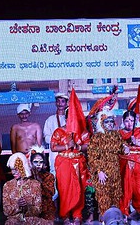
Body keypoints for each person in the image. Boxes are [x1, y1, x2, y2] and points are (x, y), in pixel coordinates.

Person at [50, 89, 90, 225]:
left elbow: (88, 146)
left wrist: (78, 147)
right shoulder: (59, 131)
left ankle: (77, 215)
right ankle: (65, 216)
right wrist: (68, 146)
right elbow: (53, 147)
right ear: (66, 118)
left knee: (79, 189)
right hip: (64, 163)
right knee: (65, 189)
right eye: (70, 118)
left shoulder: (83, 132)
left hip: (79, 162)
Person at [87, 106, 124, 217]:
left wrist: (125, 149)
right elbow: (92, 157)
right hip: (103, 173)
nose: (109, 123)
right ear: (102, 123)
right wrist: (99, 171)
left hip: (115, 172)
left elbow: (121, 149)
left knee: (115, 197)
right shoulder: (96, 137)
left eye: (111, 121)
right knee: (104, 198)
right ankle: (104, 220)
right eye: (106, 121)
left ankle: (114, 220)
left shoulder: (117, 135)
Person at [119, 110, 140, 222]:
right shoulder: (119, 134)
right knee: (126, 188)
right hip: (126, 164)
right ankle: (124, 212)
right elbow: (116, 148)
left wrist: (137, 142)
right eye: (127, 121)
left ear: (135, 121)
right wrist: (123, 148)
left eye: (132, 120)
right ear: (123, 121)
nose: (129, 123)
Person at [3, 152, 51, 225]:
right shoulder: (8, 185)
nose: (13, 173)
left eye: (16, 169)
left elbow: (38, 210)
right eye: (12, 169)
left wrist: (27, 207)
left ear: (23, 168)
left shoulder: (35, 184)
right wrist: (18, 206)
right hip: (14, 221)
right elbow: (6, 211)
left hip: (32, 220)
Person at [43, 92, 68, 176]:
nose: (60, 104)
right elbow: (46, 138)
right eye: (58, 101)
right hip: (54, 154)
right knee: (55, 177)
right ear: (55, 103)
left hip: (68, 154)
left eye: (63, 101)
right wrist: (57, 140)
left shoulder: (70, 119)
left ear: (66, 103)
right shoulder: (50, 119)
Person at [29, 145, 56, 221]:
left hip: (46, 208)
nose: (38, 164)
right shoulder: (28, 176)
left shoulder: (49, 176)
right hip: (32, 208)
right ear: (31, 163)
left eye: (41, 162)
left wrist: (40, 182)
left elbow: (51, 193)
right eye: (35, 162)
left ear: (44, 164)